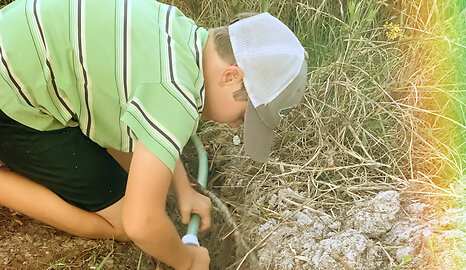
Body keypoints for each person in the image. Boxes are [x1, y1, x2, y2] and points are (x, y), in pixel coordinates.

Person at [0, 0, 307, 269]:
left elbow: (144, 115)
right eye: (243, 116)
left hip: (15, 42)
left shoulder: (178, 31)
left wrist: (183, 189)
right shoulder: (179, 96)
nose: (234, 126)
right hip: (11, 96)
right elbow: (141, 224)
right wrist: (188, 261)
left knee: (131, 176)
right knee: (120, 223)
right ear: (230, 77)